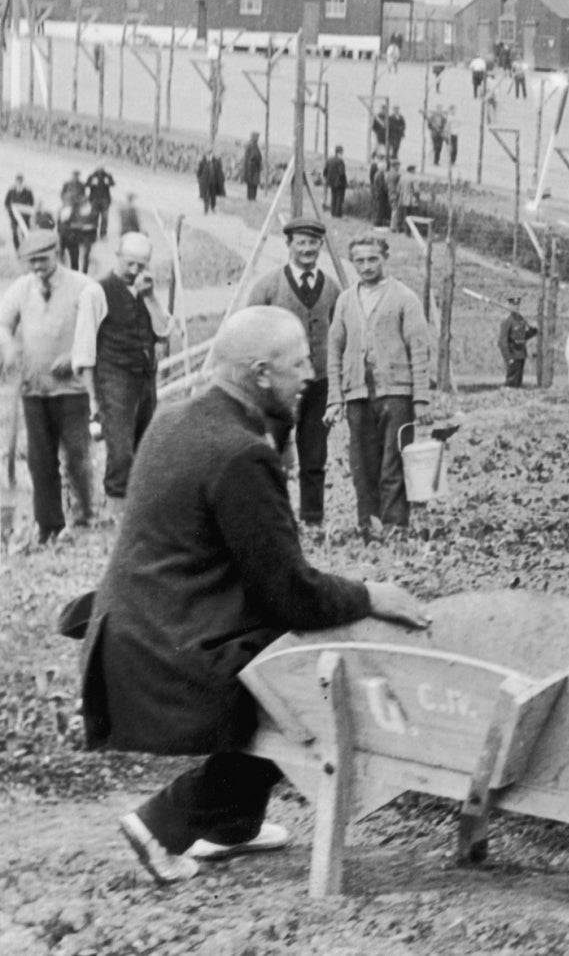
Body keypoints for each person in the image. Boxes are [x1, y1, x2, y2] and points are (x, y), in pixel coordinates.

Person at [77, 306, 432, 885]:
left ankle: (230, 824)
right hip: (169, 655)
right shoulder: (242, 454)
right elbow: (292, 596)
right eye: (299, 365)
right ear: (262, 373)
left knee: (285, 660)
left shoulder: (176, 419)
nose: (311, 376)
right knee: (305, 680)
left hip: (134, 632)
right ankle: (163, 822)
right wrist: (371, 594)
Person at [327, 233, 434, 534]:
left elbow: (419, 348)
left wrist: (421, 398)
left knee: (393, 461)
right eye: (359, 260)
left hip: (397, 393)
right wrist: (336, 397)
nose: (366, 266)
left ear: (385, 259)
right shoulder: (346, 300)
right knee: (362, 463)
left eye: (373, 259)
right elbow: (334, 349)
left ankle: (394, 524)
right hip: (357, 393)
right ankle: (368, 524)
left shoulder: (404, 298)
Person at [2, 229, 102, 541]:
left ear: (57, 253)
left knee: (76, 454)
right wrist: (8, 346)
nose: (37, 268)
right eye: (30, 262)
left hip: (72, 389)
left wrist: (74, 356)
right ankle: (49, 524)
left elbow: (99, 334)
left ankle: (85, 514)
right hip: (34, 388)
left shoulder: (83, 287)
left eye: (42, 260)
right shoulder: (21, 288)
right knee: (39, 458)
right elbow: (3, 324)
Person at [239, 218, 340, 526]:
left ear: (320, 246)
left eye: (313, 243)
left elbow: (339, 334)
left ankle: (312, 518)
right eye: (301, 242)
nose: (307, 249)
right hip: (278, 385)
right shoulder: (268, 286)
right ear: (289, 246)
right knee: (271, 450)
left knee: (314, 454)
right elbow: (248, 332)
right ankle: (270, 518)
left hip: (318, 382)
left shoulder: (332, 289)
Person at [77, 233, 172, 508]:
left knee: (144, 447)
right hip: (113, 379)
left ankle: (138, 511)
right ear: (117, 257)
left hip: (144, 378)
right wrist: (93, 398)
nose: (135, 271)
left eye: (142, 266)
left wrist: (151, 296)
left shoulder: (147, 289)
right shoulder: (97, 291)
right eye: (130, 264)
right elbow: (84, 351)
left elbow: (165, 331)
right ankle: (115, 513)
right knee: (120, 452)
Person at [4, 174, 33, 247]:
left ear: (23, 182)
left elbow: (32, 204)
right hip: (14, 216)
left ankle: (26, 248)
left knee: (25, 233)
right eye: (18, 181)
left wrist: (28, 214)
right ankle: (17, 250)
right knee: (14, 233)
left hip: (25, 216)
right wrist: (11, 211)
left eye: (20, 182)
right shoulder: (11, 191)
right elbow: (6, 203)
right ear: (15, 182)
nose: (19, 183)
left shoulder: (28, 192)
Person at [195, 149, 226, 214]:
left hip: (214, 182)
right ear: (206, 155)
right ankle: (206, 209)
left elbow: (220, 172)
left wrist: (221, 179)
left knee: (213, 196)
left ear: (212, 154)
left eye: (210, 154)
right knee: (206, 195)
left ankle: (213, 207)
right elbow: (199, 172)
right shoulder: (202, 162)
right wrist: (200, 179)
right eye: (207, 154)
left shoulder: (216, 162)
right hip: (205, 182)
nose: (209, 156)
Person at [322, 147, 349, 218]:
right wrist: (345, 182)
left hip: (331, 183)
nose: (342, 154)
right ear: (339, 152)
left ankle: (333, 212)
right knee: (339, 198)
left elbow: (324, 172)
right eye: (342, 152)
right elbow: (342, 173)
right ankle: (337, 214)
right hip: (339, 183)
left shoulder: (329, 160)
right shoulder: (340, 161)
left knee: (333, 197)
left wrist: (328, 179)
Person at [239, 135, 264, 203]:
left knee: (253, 184)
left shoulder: (253, 145)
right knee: (252, 184)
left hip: (252, 168)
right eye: (256, 138)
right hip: (253, 168)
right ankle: (251, 198)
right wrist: (259, 162)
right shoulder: (252, 146)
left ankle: (252, 197)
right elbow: (254, 156)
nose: (257, 139)